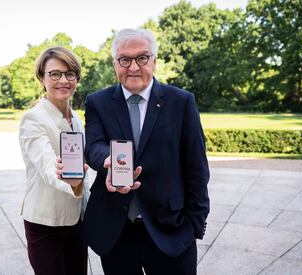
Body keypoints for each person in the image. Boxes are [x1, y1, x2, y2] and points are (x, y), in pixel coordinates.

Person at [81, 28, 210, 274]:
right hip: (115, 232)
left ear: (154, 61)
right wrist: (107, 160)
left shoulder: (181, 102)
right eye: (124, 59)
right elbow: (93, 146)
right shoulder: (97, 101)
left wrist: (195, 223)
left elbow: (196, 166)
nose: (133, 67)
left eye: (142, 58)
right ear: (114, 63)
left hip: (170, 230)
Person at [19, 46, 89, 275]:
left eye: (70, 74)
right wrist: (74, 181)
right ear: (41, 77)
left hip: (76, 222)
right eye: (55, 74)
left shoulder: (76, 118)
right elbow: (48, 167)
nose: (63, 80)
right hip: (45, 224)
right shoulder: (33, 119)